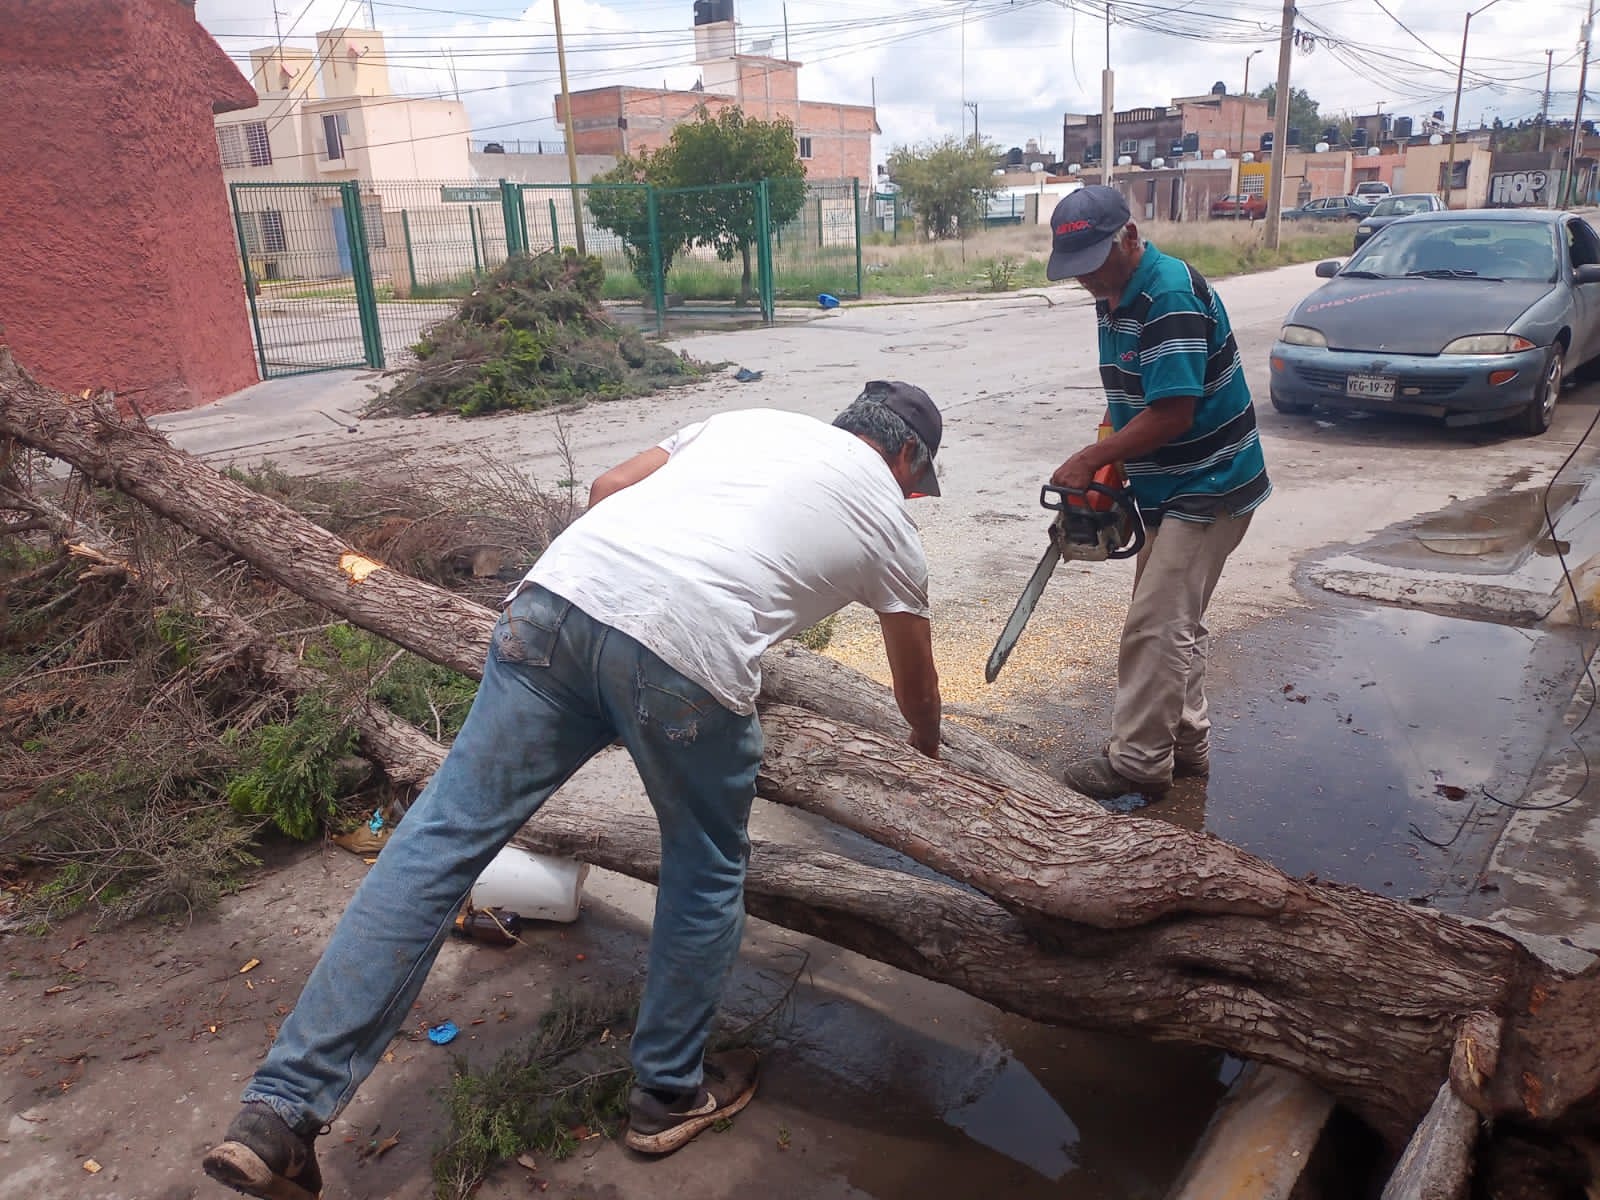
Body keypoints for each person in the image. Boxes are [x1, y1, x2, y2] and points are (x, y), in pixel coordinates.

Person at [202, 382, 946, 1199]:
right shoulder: (889, 519)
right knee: (704, 871)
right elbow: (915, 682)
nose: (911, 494)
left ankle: (278, 1114)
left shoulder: (747, 422)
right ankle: (666, 1095)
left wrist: (610, 617)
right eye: (917, 482)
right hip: (685, 660)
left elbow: (606, 487)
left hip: (555, 603)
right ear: (907, 457)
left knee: (438, 843)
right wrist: (923, 748)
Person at [1043, 186, 1270, 803]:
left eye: (1096, 262)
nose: (1088, 279)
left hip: (1210, 480)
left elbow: (1173, 412)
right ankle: (1188, 743)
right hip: (1170, 483)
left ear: (1130, 238)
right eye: (1079, 268)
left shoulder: (1166, 296)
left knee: (1156, 625)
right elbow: (1134, 395)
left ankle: (1140, 762)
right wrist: (1110, 454)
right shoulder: (1113, 295)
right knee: (1175, 620)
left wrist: (1093, 459)